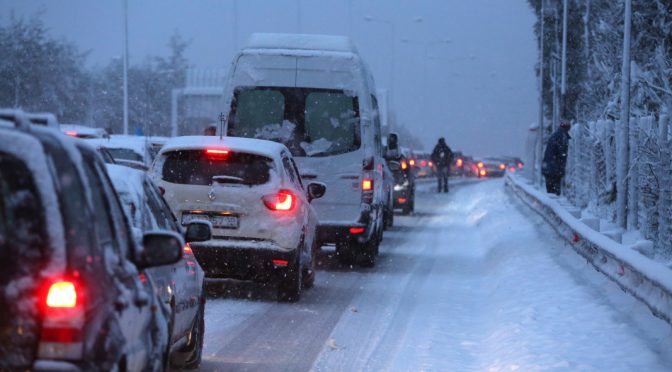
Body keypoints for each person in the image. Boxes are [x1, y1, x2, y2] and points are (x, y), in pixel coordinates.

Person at [542, 119, 572, 195]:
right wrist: (562, 168)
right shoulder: (562, 137)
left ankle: (550, 202)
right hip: (554, 169)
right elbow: (562, 153)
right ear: (568, 128)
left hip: (548, 168)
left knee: (550, 192)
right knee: (555, 193)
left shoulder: (555, 135)